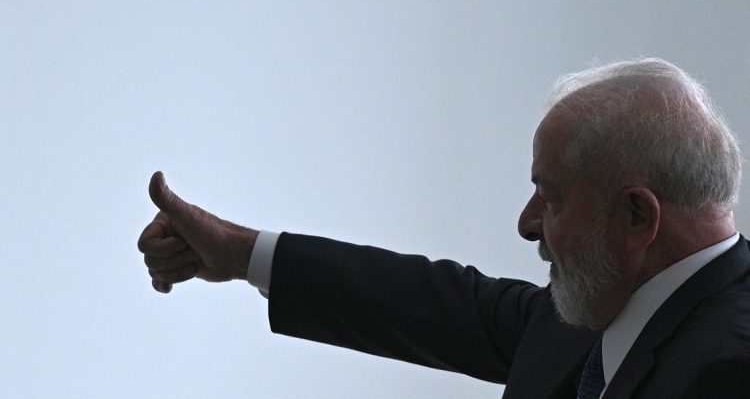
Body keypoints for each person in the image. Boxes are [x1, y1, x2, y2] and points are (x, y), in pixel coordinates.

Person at [137, 58, 750, 398]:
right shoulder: (604, 307)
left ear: (637, 217)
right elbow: (436, 305)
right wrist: (244, 254)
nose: (526, 224)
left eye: (551, 198)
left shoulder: (729, 370)